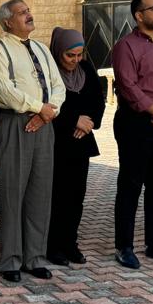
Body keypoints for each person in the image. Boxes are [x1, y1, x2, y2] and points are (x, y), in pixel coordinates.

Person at [0, 0, 66, 283]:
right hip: (14, 123)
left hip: (45, 123)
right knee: (12, 193)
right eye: (22, 13)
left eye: (28, 11)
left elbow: (58, 86)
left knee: (40, 193)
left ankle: (34, 258)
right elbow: (3, 90)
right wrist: (38, 107)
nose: (29, 15)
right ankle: (11, 260)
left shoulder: (42, 48)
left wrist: (48, 112)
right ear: (8, 21)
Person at [112, 0, 153, 269]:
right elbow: (128, 87)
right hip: (135, 124)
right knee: (131, 185)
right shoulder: (125, 47)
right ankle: (124, 247)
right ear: (139, 16)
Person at [47, 28, 106, 266]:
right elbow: (48, 106)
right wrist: (74, 120)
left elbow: (98, 101)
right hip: (57, 144)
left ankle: (70, 243)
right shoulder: (50, 73)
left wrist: (88, 122)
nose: (75, 60)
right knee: (56, 196)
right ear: (58, 51)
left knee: (76, 196)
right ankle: (53, 245)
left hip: (81, 143)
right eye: (70, 55)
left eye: (79, 55)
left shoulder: (86, 69)